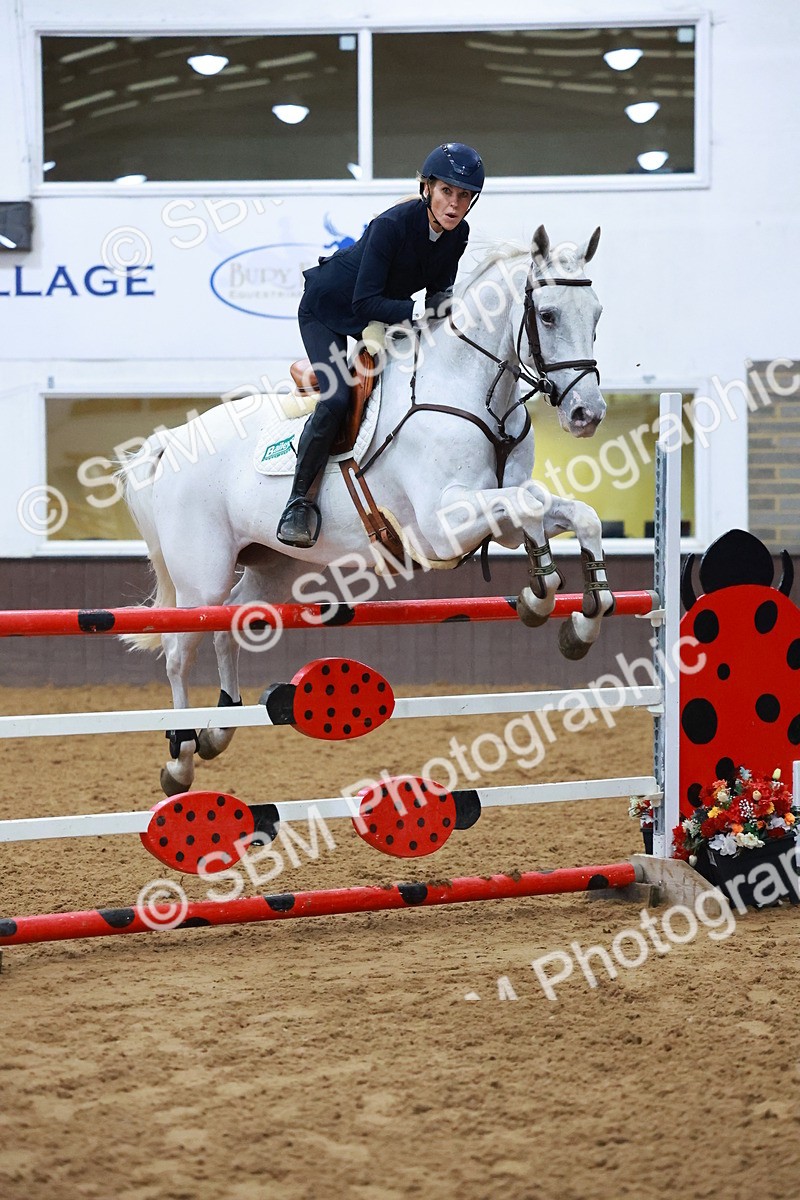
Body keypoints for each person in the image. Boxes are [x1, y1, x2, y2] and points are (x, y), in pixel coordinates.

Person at [276, 141, 485, 548]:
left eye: (464, 196)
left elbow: (438, 293)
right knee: (337, 399)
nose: (454, 204)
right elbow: (364, 301)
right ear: (427, 189)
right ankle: (298, 502)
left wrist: (452, 313)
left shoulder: (458, 234)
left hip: (378, 318)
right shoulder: (392, 225)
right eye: (447, 192)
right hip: (328, 308)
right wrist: (418, 310)